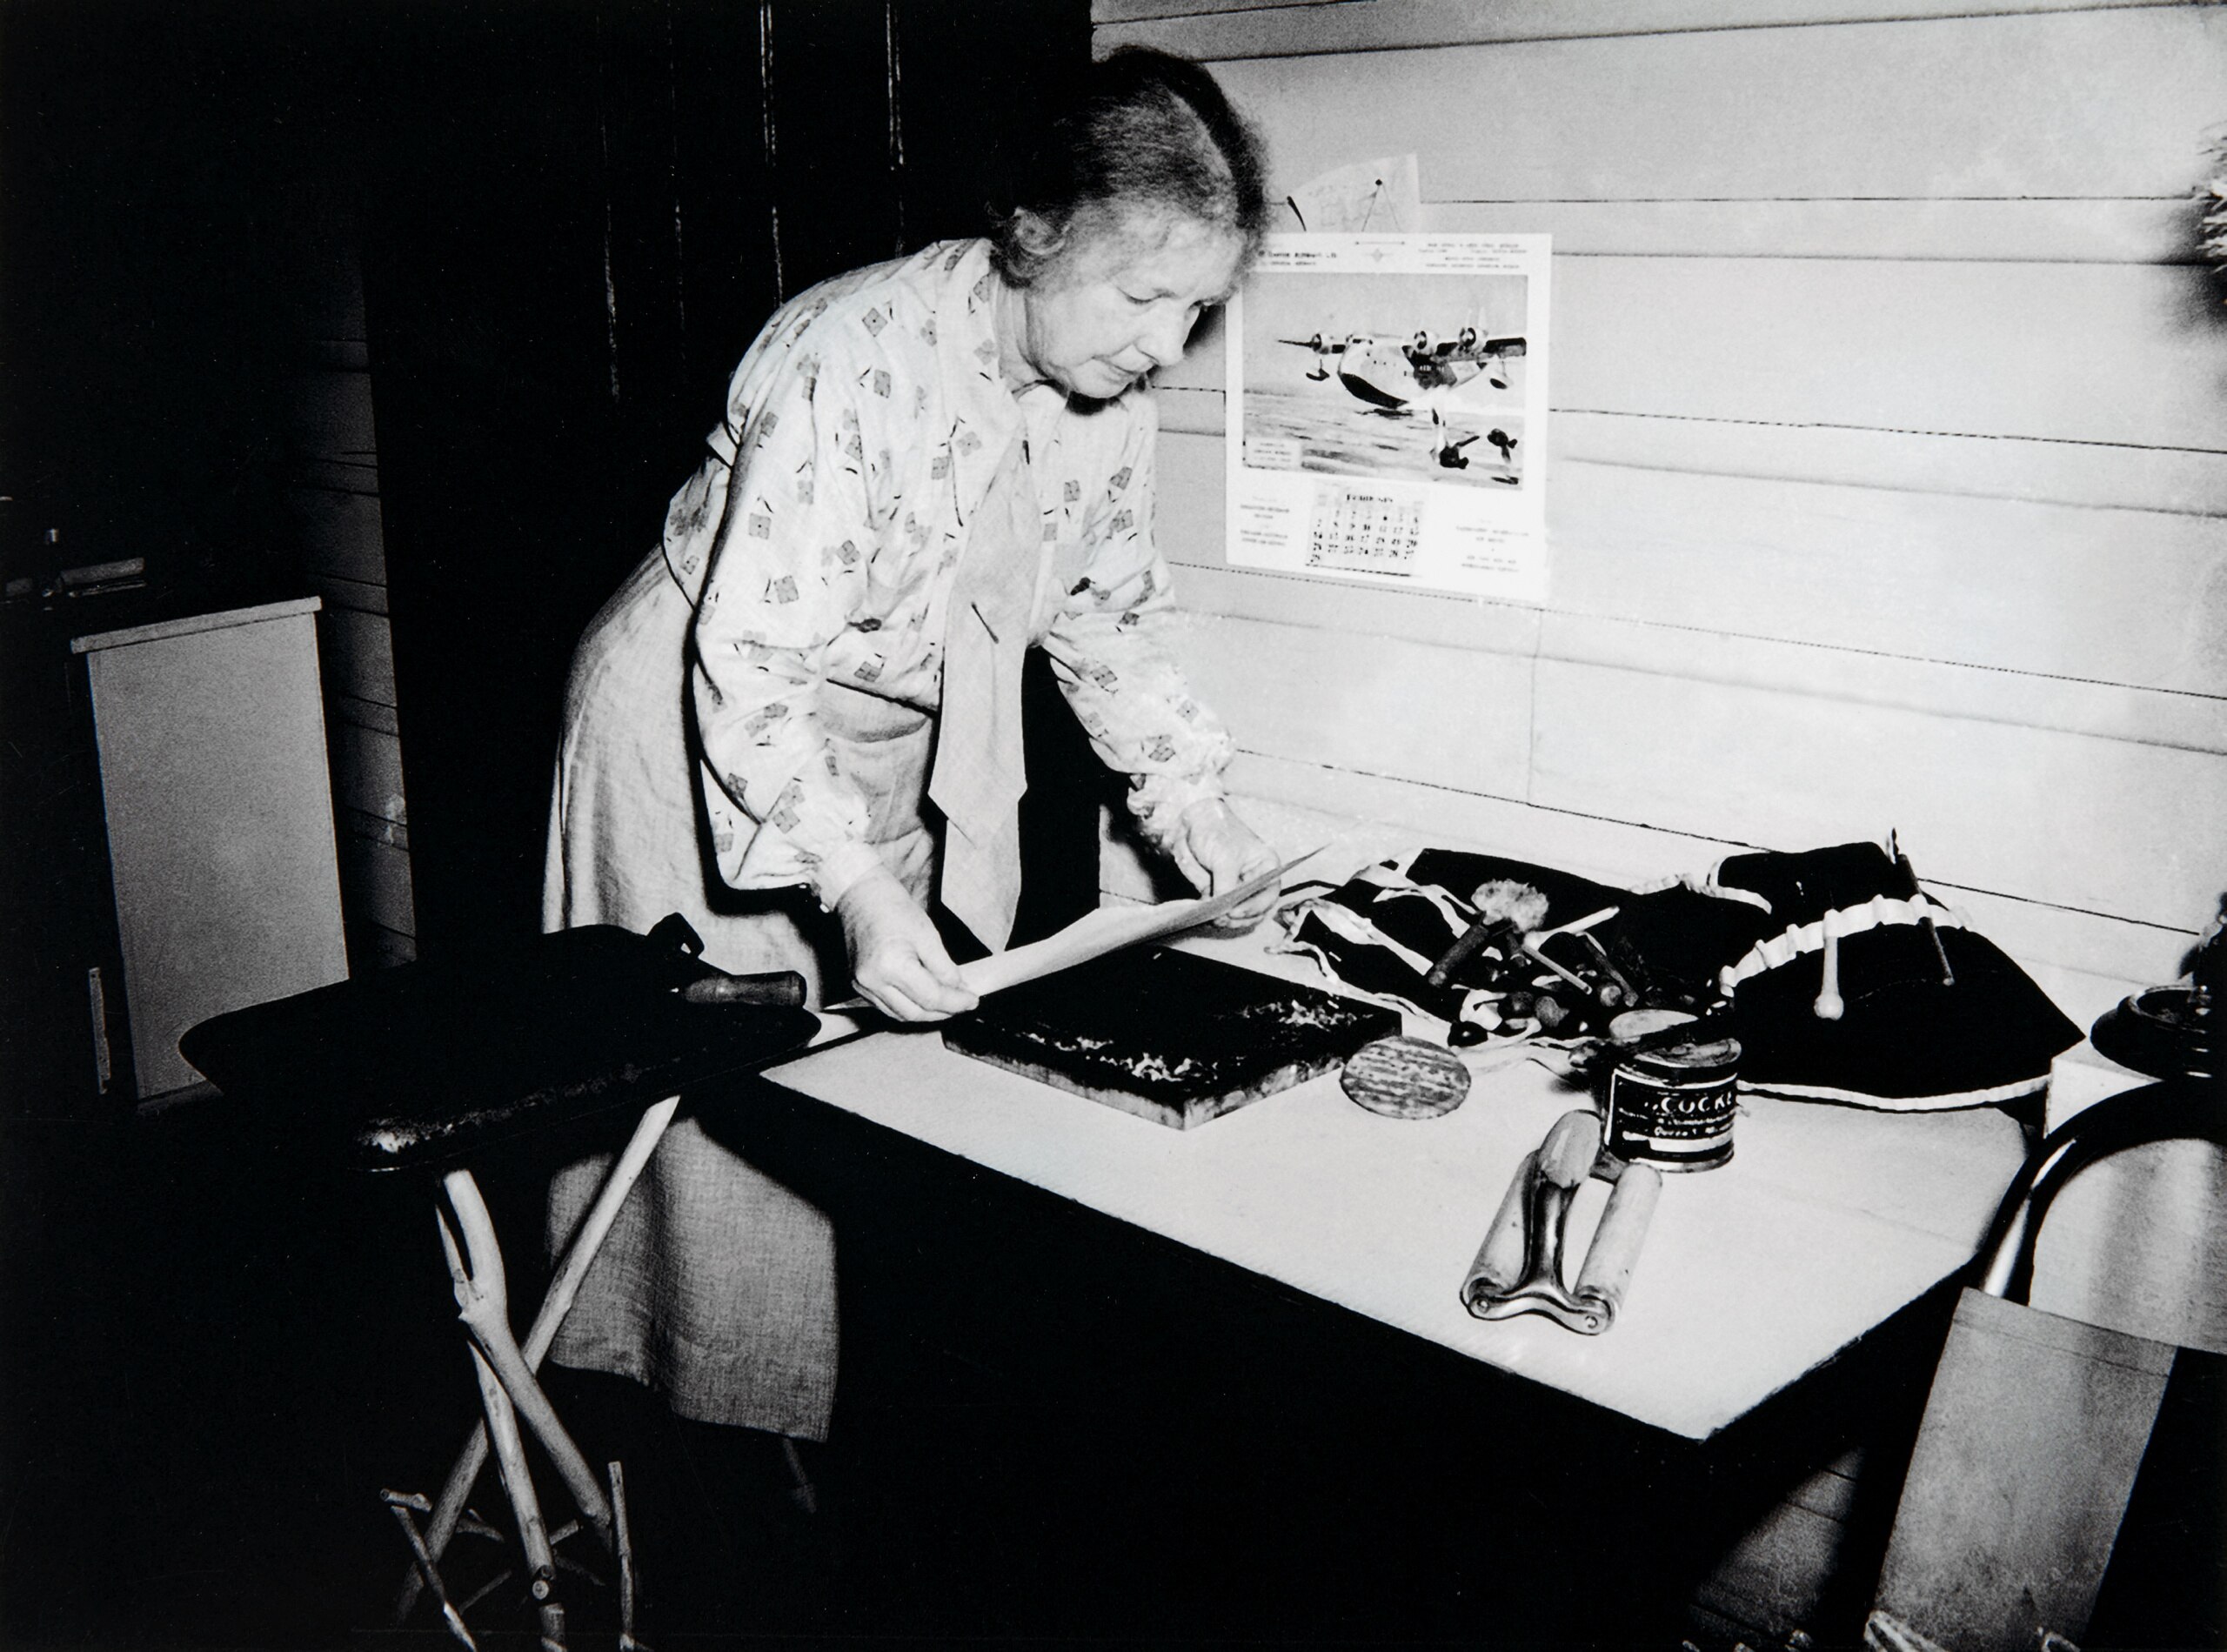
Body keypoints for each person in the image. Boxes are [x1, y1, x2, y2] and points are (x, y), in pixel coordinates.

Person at [539, 47, 1279, 1444]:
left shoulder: (1108, 407)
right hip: (698, 719)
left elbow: (1102, 617)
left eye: (1196, 308)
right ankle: (667, 1433)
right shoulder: (851, 356)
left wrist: (1195, 803)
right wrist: (861, 885)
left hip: (876, 735)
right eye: (1142, 297)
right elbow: (754, 661)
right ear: (1034, 232)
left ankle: (787, 1423)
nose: (1166, 347)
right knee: (696, 1109)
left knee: (844, 1087)